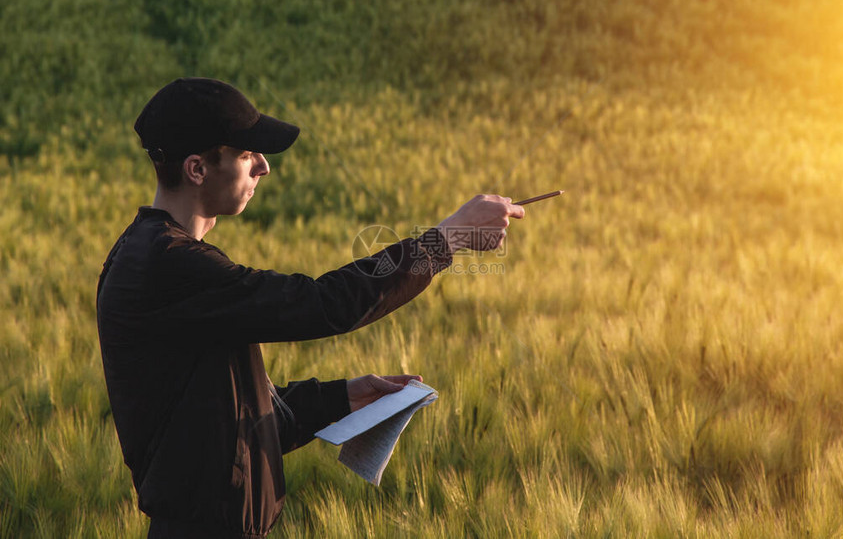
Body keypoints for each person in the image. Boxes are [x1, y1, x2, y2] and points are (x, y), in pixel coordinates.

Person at [96, 77, 524, 538]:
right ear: (197, 169)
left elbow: (231, 423)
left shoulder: (155, 255)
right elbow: (324, 304)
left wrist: (344, 398)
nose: (263, 166)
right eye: (246, 154)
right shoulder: (166, 265)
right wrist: (446, 240)